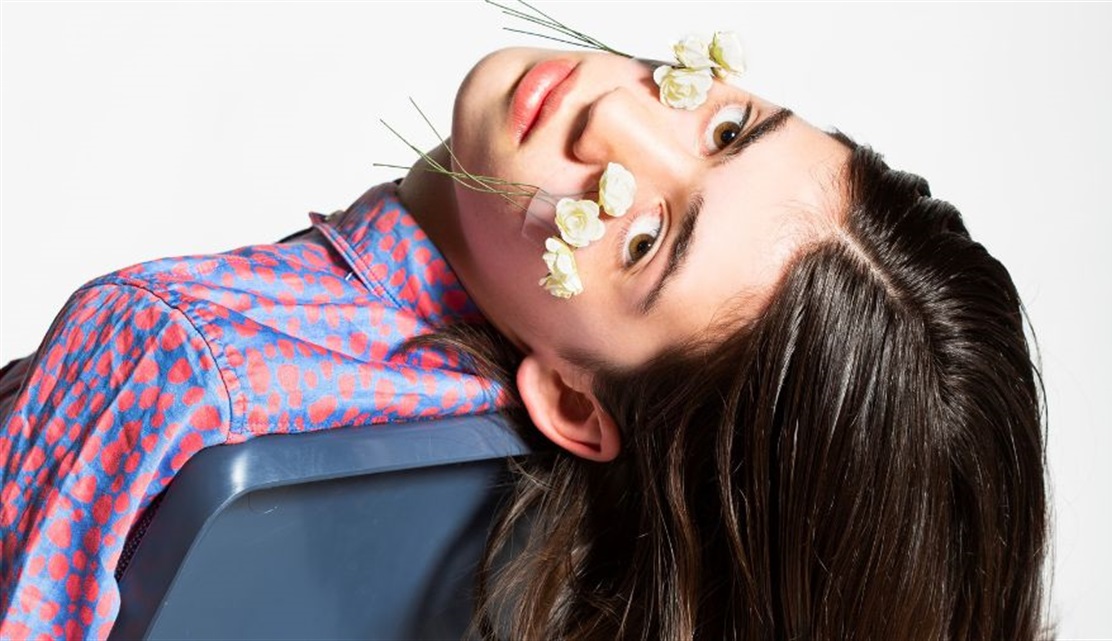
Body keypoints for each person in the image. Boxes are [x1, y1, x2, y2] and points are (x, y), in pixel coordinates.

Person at [1, 43, 1047, 641]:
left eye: (642, 239)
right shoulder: (511, 509)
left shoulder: (170, 359)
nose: (614, 120)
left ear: (578, 407)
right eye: (725, 129)